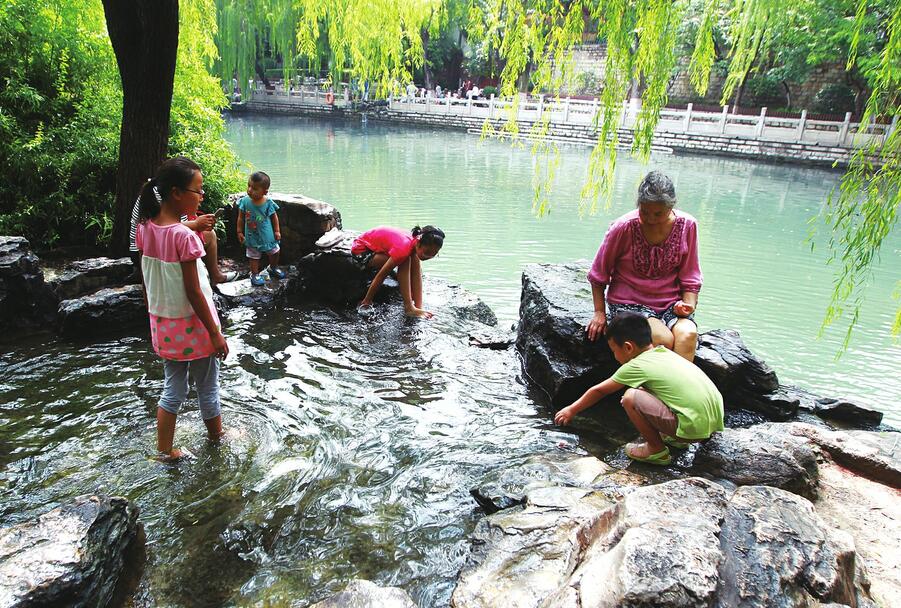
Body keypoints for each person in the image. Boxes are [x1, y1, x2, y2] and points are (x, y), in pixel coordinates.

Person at [135, 157, 228, 461]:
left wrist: (153, 315)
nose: (201, 197)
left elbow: (148, 281)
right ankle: (217, 437)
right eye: (198, 191)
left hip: (164, 324)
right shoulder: (184, 237)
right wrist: (215, 333)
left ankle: (164, 450)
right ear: (177, 193)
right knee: (208, 387)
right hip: (196, 326)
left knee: (172, 389)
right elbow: (194, 290)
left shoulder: (145, 229)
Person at [555, 313, 724, 465]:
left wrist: (571, 410)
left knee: (631, 398)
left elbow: (599, 391)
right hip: (711, 423)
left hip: (693, 430)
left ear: (628, 347)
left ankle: (656, 450)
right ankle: (678, 438)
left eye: (614, 350)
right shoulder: (664, 353)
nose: (614, 355)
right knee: (646, 389)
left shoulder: (637, 366)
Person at [586, 170, 702, 361]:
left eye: (658, 214)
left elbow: (690, 276)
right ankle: (652, 389)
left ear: (671, 207)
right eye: (645, 211)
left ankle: (674, 391)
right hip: (630, 303)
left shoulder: (688, 226)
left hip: (670, 304)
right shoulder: (624, 227)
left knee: (687, 335)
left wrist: (687, 305)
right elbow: (598, 275)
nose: (650, 219)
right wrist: (599, 312)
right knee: (662, 338)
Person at [129, 185, 238, 287]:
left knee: (204, 234)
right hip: (155, 253)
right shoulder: (162, 194)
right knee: (208, 235)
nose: (201, 196)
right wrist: (195, 224)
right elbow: (159, 229)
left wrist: (197, 224)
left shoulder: (160, 190)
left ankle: (213, 275)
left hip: (148, 251)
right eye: (197, 190)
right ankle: (214, 275)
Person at [352, 225, 445, 319]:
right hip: (361, 250)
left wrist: (419, 308)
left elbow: (416, 275)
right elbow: (381, 275)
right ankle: (409, 307)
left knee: (413, 257)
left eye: (433, 254)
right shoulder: (404, 248)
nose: (427, 257)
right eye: (426, 252)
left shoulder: (414, 242)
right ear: (418, 242)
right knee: (405, 259)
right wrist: (367, 301)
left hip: (380, 249)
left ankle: (418, 306)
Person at [237, 171, 286, 286]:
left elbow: (274, 217)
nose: (249, 190)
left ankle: (273, 267)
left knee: (275, 251)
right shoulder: (244, 201)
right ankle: (254, 274)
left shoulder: (268, 203)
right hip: (251, 235)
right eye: (249, 186)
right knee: (253, 255)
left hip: (267, 235)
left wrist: (277, 231)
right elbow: (240, 218)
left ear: (265, 191)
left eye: (254, 188)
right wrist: (239, 231)